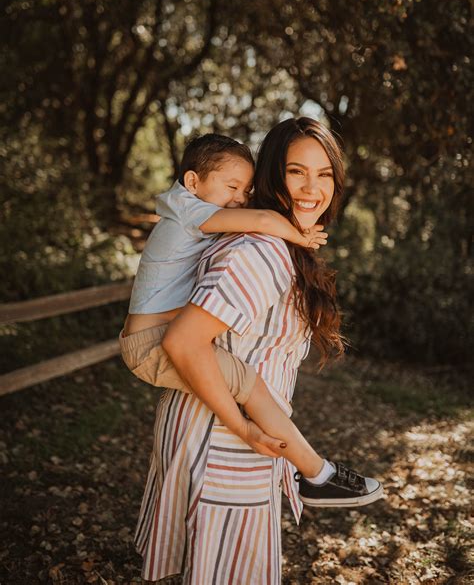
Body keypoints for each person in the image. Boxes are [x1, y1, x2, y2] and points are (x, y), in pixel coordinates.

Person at [133, 117, 383, 583]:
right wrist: (244, 429)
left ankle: (317, 472)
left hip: (226, 435)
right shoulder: (261, 250)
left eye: (324, 173)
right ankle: (319, 473)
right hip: (222, 445)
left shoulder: (268, 242)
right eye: (296, 172)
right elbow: (184, 342)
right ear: (273, 175)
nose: (313, 188)